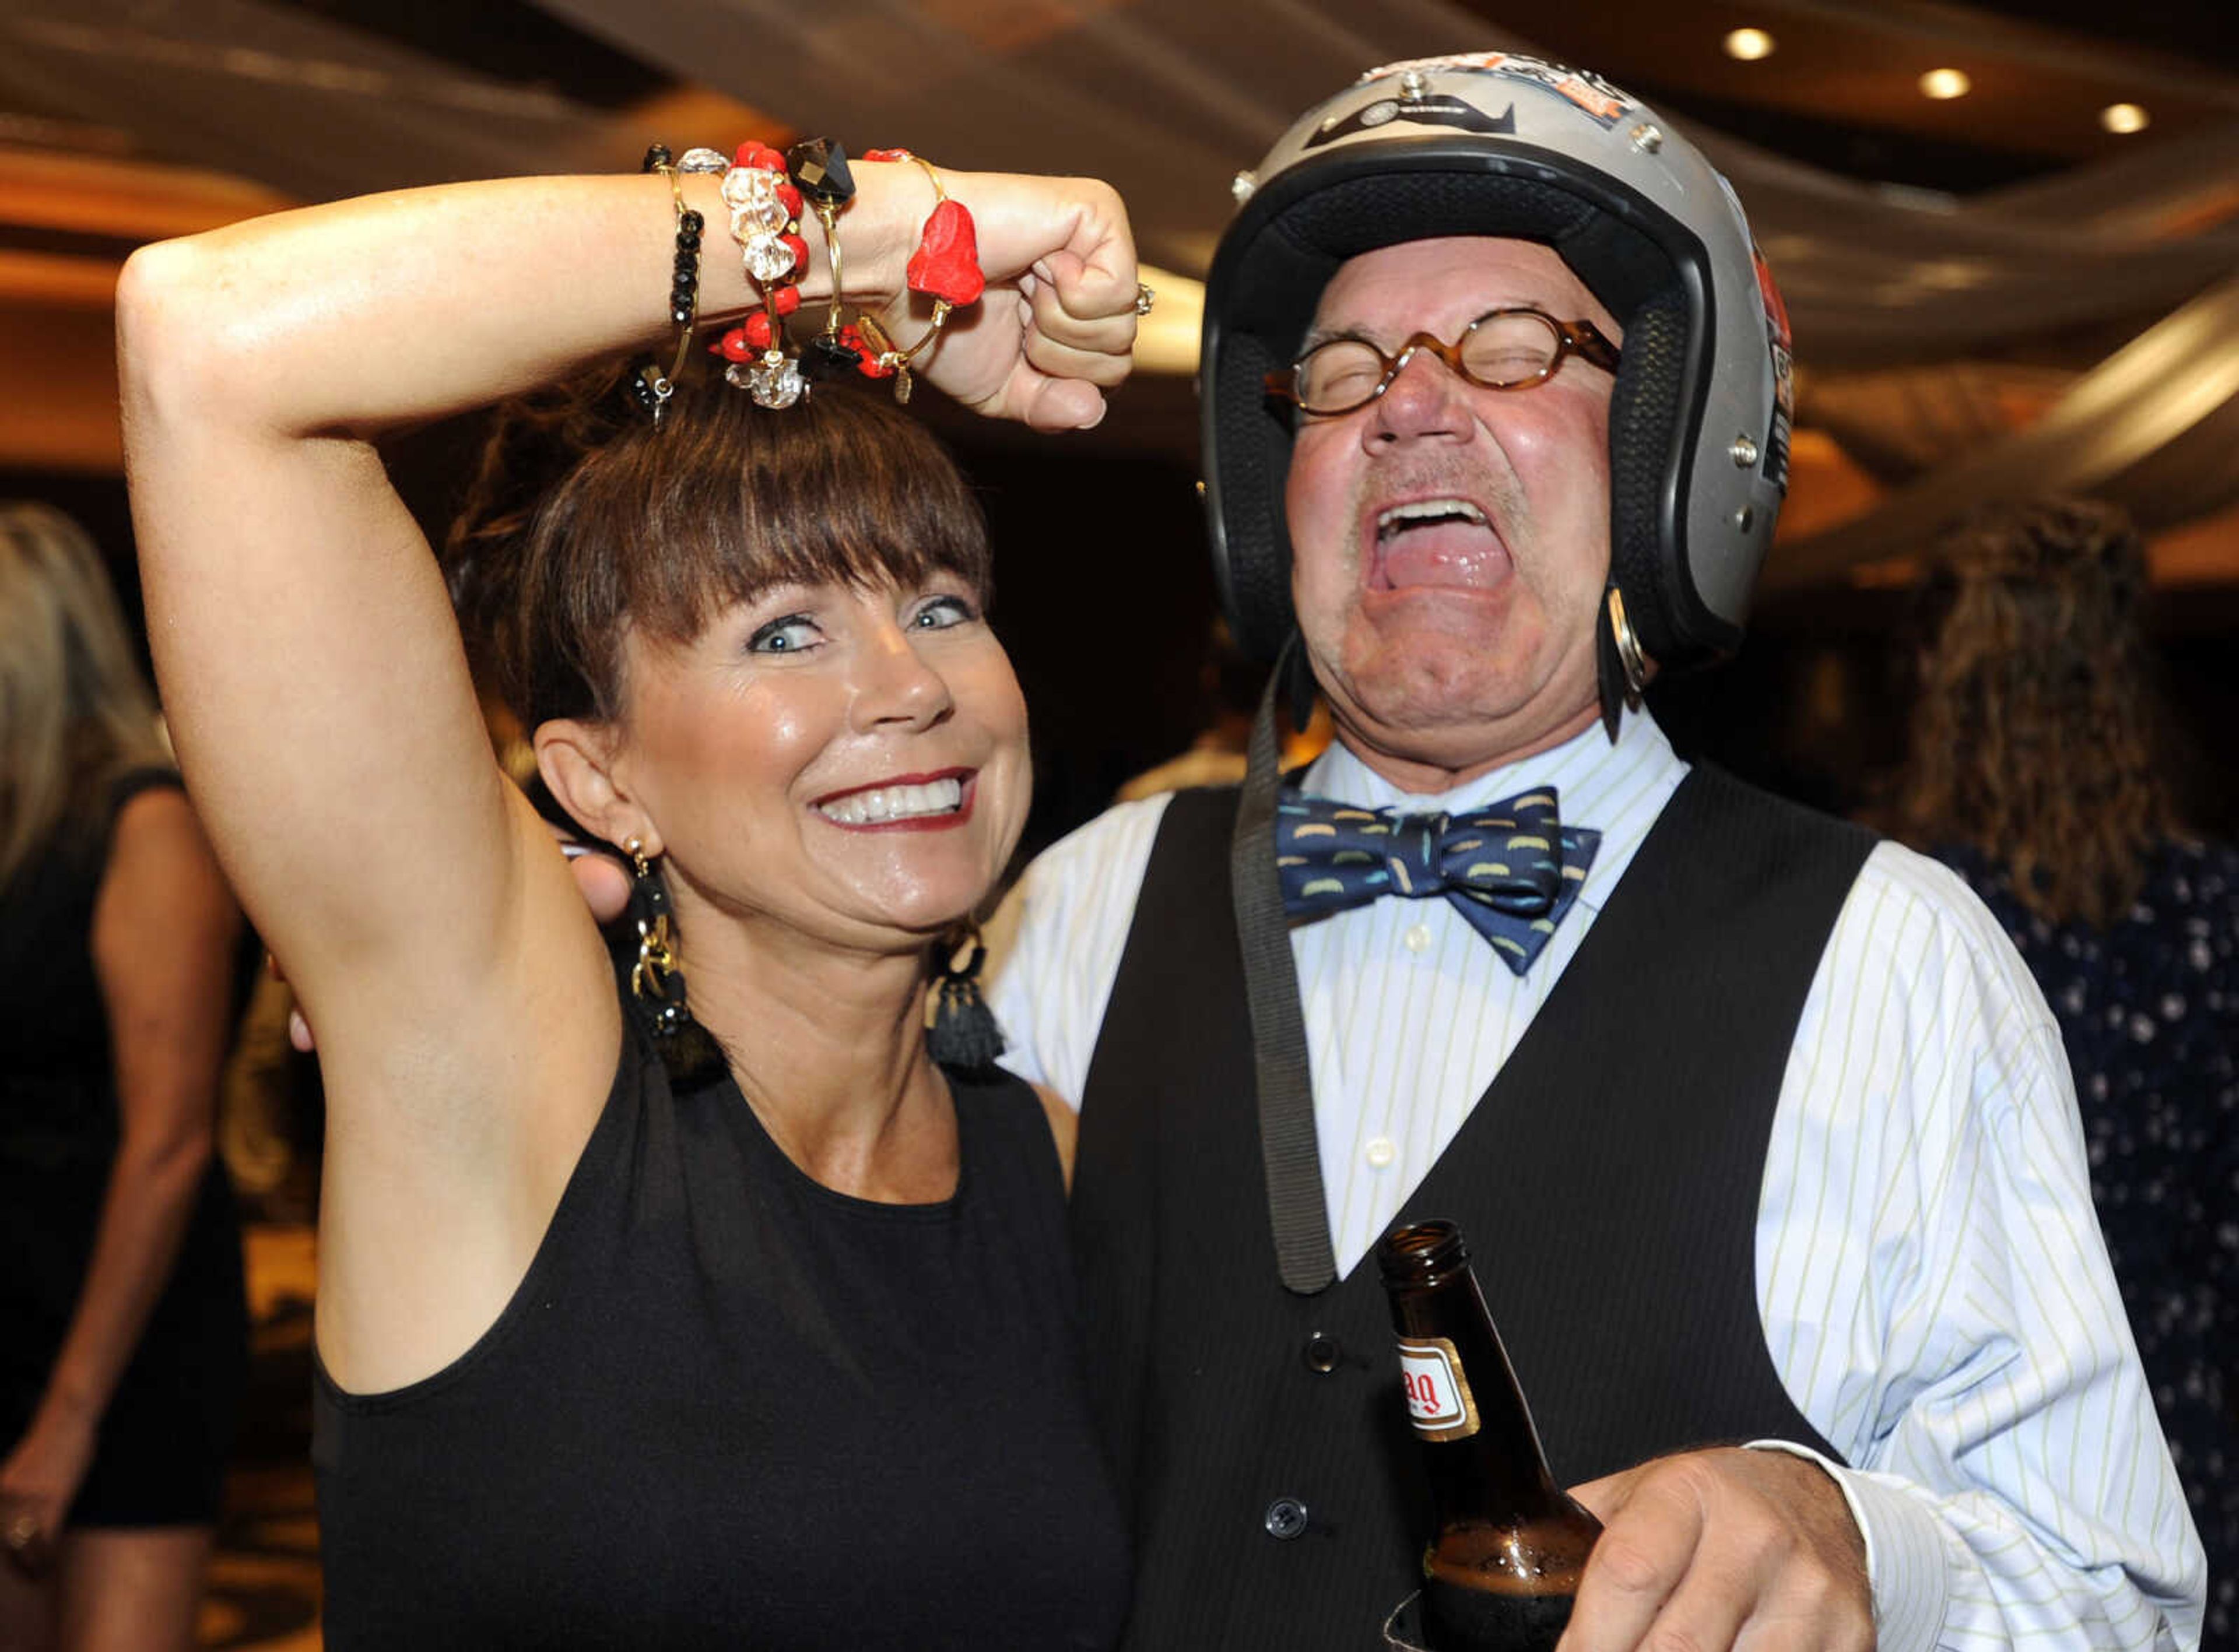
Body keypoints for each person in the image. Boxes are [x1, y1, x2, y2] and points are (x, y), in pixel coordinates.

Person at [986, 54, 2208, 1651]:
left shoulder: (1892, 958)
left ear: (1669, 462)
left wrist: (1860, 1547)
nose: (1410, 403)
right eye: (1345, 371)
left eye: (1509, 348)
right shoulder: (1081, 901)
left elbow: (2106, 1595)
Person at [115, 150, 1140, 1648]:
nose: (913, 686)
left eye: (940, 605)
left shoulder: (1038, 1157)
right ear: (602, 785)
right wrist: (881, 232)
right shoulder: (500, 1082)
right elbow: (205, 338)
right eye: (785, 632)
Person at [1898, 496, 2236, 1648]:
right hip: (2185, 1422)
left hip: (1975, 1437)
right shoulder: (2215, 911)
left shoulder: (1909, 919)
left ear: (1961, 688)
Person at [0, 502, 249, 1652]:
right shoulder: (21, 831)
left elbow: (169, 1143)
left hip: (122, 1330)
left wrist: (69, 1418)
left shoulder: (146, 825)